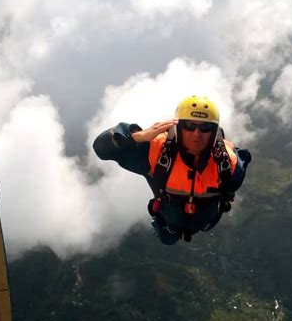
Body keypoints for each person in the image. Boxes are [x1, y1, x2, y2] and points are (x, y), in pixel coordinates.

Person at [93, 95, 251, 245]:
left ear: (214, 132)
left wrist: (227, 149)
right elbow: (101, 148)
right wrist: (137, 137)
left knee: (170, 236)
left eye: (205, 127)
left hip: (202, 221)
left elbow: (241, 164)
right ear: (178, 127)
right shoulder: (157, 152)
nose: (196, 133)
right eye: (189, 125)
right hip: (171, 222)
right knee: (167, 238)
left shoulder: (227, 162)